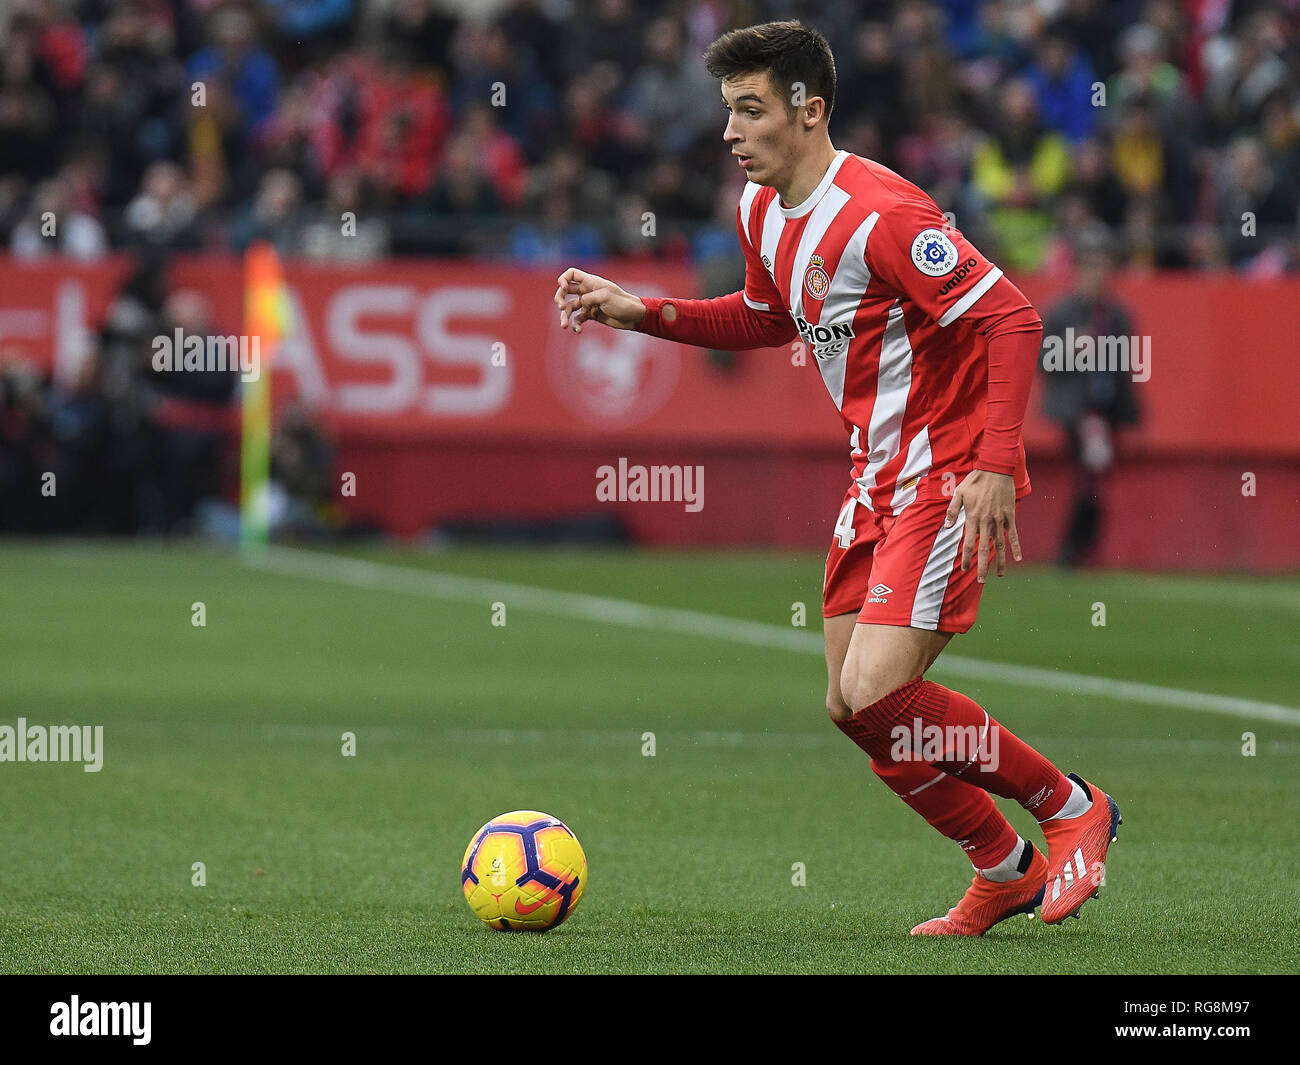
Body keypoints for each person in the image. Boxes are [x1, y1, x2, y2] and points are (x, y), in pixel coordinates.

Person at [553, 21, 1121, 936]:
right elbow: (762, 317)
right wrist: (642, 311)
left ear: (809, 111)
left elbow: (1012, 320)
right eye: (727, 111)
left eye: (750, 110)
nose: (732, 132)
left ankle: (1069, 806)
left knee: (883, 690)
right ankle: (1003, 867)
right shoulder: (756, 210)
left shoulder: (884, 213)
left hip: (943, 471)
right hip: (875, 478)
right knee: (852, 708)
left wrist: (991, 466)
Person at [1039, 228, 1141, 566]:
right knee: (1089, 476)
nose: (1099, 274)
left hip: (1105, 408)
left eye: (1104, 266)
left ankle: (1080, 549)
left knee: (1095, 478)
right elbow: (1043, 362)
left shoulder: (1117, 315)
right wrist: (1071, 348)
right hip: (1077, 411)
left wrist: (1131, 411)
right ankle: (1073, 550)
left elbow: (1125, 368)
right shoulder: (1063, 313)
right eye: (1093, 266)